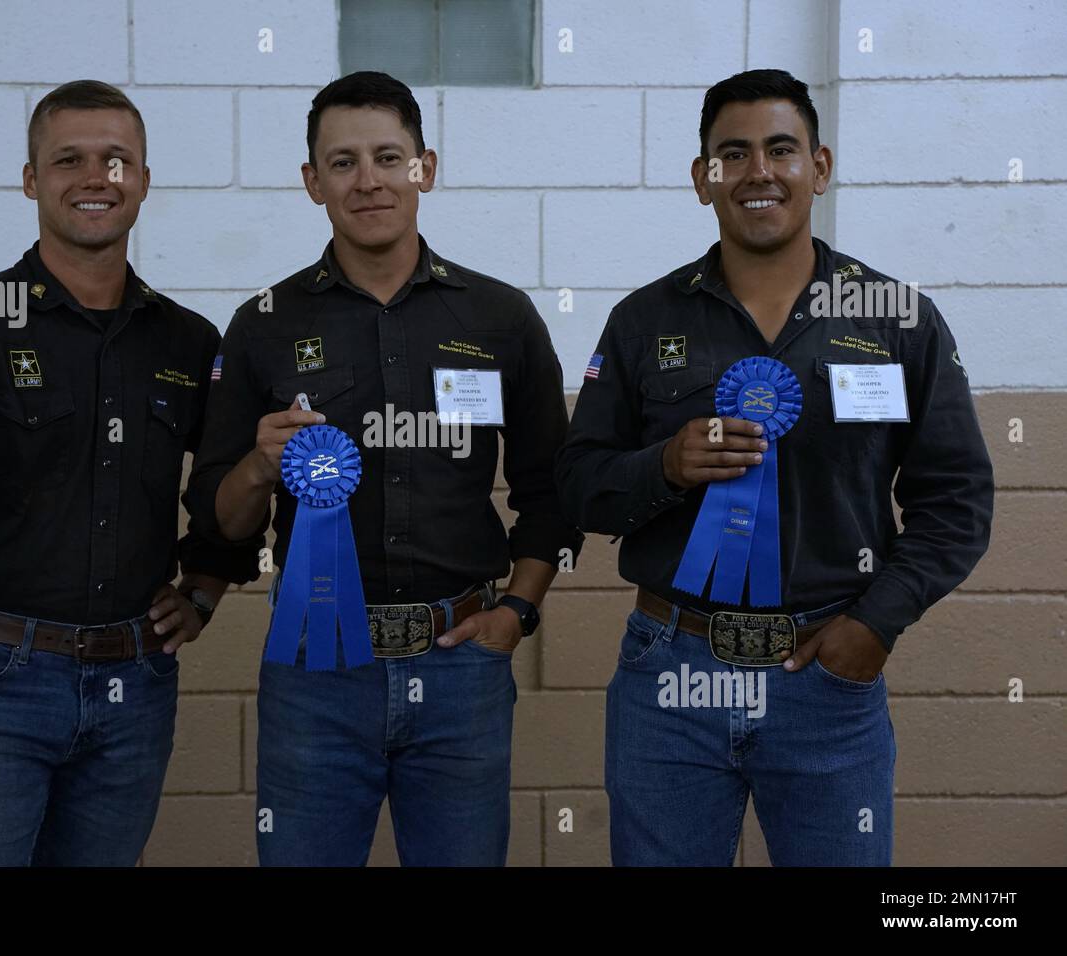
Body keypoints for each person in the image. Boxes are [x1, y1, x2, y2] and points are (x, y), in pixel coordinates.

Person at [555, 69, 993, 866]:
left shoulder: (897, 319)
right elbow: (578, 486)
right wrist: (666, 466)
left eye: (781, 149)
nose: (758, 171)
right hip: (669, 675)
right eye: (733, 153)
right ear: (703, 179)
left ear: (819, 167)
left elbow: (957, 501)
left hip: (826, 676)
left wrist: (875, 624)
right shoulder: (643, 320)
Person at [189, 71, 582, 866]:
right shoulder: (262, 325)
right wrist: (261, 469)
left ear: (424, 169)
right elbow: (218, 521)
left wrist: (516, 616)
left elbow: (553, 493)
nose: (367, 180)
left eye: (387, 157)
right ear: (312, 182)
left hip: (461, 669)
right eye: (342, 162)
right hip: (315, 673)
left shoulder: (501, 316)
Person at [0, 80, 247, 866]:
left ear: (144, 180)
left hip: (135, 692)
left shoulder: (189, 341)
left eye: (117, 160)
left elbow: (223, 492)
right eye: (68, 159)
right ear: (31, 178)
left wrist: (206, 585)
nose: (95, 177)